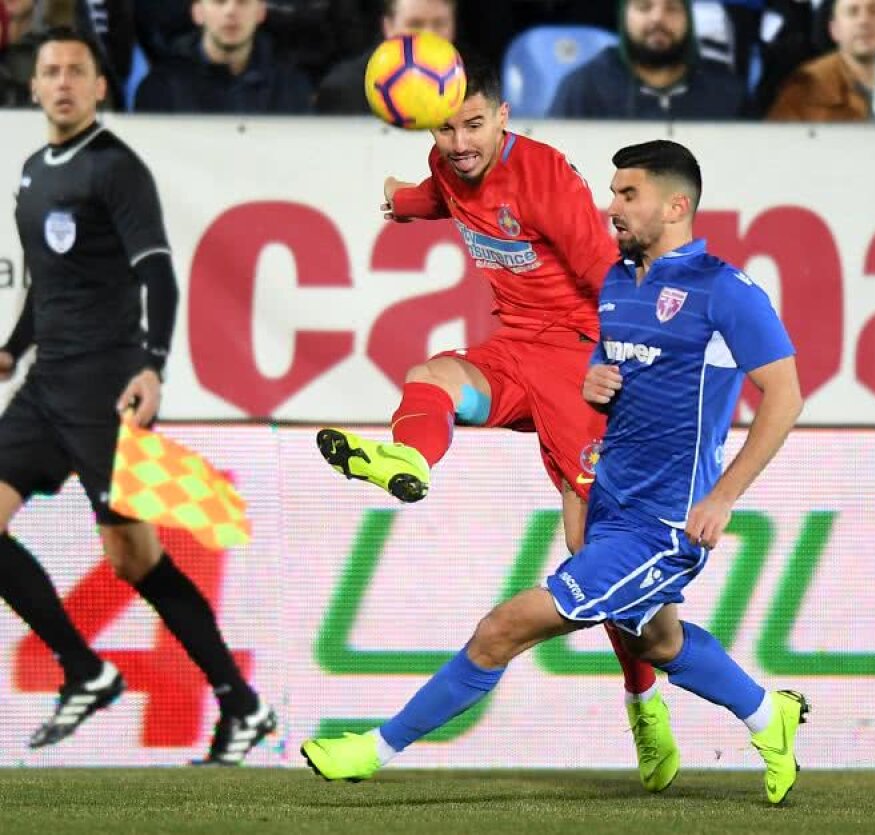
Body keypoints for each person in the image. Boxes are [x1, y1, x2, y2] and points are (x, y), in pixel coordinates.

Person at [302, 139, 809, 803]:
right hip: (614, 496)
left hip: (662, 524)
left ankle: (374, 748)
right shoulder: (618, 292)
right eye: (613, 192)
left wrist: (723, 496)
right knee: (659, 637)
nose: (611, 207)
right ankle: (769, 716)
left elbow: (787, 394)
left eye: (629, 195)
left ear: (677, 205)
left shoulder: (724, 291)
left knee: (501, 629)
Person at [314, 55, 682, 792]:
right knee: (432, 379)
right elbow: (439, 194)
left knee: (596, 560)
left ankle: (643, 701)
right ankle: (410, 462)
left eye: (473, 124)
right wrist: (405, 202)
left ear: (504, 116)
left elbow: (611, 279)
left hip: (584, 364)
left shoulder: (547, 182)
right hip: (517, 348)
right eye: (445, 126)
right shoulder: (447, 164)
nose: (458, 142)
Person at [2, 28, 275, 764]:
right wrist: (13, 347)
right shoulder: (32, 170)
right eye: (49, 71)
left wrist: (153, 366)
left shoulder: (118, 169)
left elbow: (158, 274)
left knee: (133, 558)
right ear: (32, 88)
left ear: (99, 88)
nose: (61, 82)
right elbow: (44, 285)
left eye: (76, 72)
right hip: (43, 383)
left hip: (103, 388)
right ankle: (85, 669)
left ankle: (240, 704)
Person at [548, 0, 746, 120]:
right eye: (644, 7)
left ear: (689, 20)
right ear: (623, 16)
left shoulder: (727, 94)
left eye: (672, 8)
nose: (658, 18)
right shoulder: (584, 89)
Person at [133, 0, 312, 114]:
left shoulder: (291, 87)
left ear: (261, 12)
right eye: (219, 2)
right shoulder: (161, 88)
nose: (231, 12)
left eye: (243, 2)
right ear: (198, 13)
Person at [316, 0, 455, 115]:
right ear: (388, 27)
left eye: (439, 24)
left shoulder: (473, 87)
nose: (428, 36)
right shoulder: (345, 89)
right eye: (415, 25)